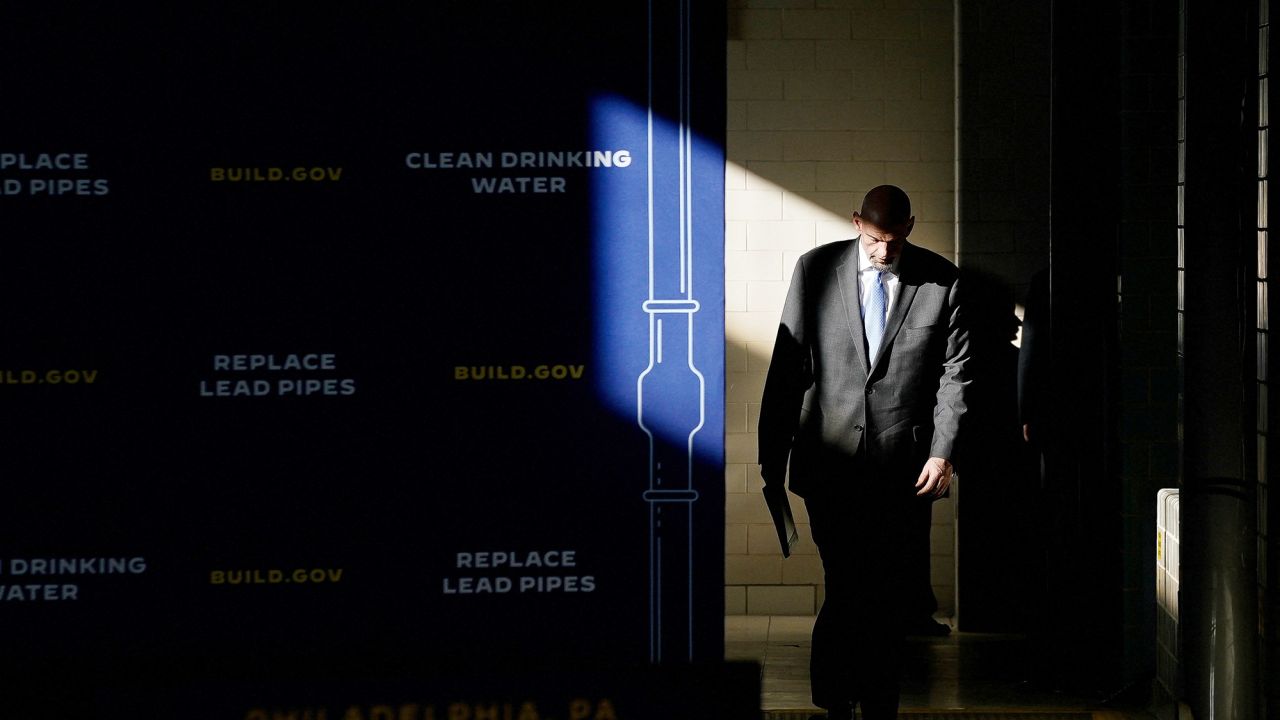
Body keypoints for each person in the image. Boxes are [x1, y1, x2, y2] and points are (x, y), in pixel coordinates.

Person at [758, 185, 971, 719]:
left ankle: (877, 703)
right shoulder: (816, 269)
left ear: (911, 227)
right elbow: (788, 364)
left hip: (903, 465)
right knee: (848, 580)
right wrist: (770, 455)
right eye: (876, 239)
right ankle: (836, 697)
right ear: (857, 222)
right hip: (829, 461)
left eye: (895, 241)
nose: (884, 252)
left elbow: (956, 375)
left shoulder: (941, 279)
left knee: (886, 589)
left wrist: (943, 452)